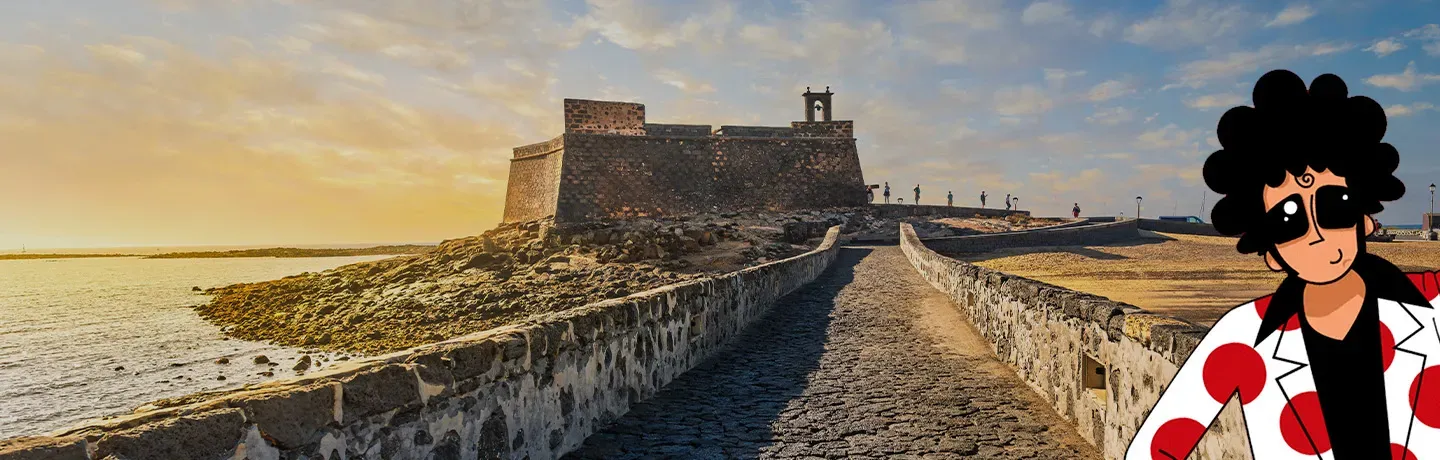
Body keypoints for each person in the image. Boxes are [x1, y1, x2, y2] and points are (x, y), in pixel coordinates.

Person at [1126, 70, 1440, 459]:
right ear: (1271, 252)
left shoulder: (1433, 305)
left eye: (1334, 207)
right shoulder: (1243, 337)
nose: (1318, 233)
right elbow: (1156, 445)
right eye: (1288, 221)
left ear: (1364, 220)